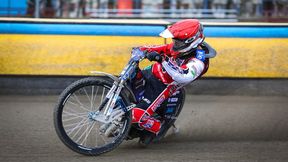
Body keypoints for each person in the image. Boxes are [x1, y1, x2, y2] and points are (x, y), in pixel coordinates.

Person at [131, 19, 216, 139]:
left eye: (178, 42)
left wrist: (162, 60)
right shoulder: (181, 46)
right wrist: (142, 49)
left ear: (191, 41)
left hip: (165, 85)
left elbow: (183, 76)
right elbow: (163, 48)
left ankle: (157, 127)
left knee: (136, 115)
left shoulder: (199, 61)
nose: (175, 44)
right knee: (130, 77)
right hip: (152, 73)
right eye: (175, 41)